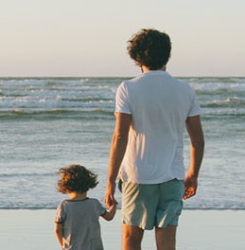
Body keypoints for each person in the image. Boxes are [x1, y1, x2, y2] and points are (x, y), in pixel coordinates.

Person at [105, 29, 205, 250]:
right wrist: (193, 174)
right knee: (167, 242)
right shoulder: (184, 90)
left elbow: (120, 136)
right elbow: (198, 141)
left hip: (137, 175)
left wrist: (111, 179)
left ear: (137, 57)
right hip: (172, 176)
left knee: (131, 239)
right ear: (167, 55)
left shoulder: (128, 88)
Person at [55, 164, 116, 250]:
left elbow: (57, 230)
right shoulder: (94, 204)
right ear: (88, 184)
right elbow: (109, 217)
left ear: (66, 186)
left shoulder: (64, 206)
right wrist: (113, 204)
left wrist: (63, 245)